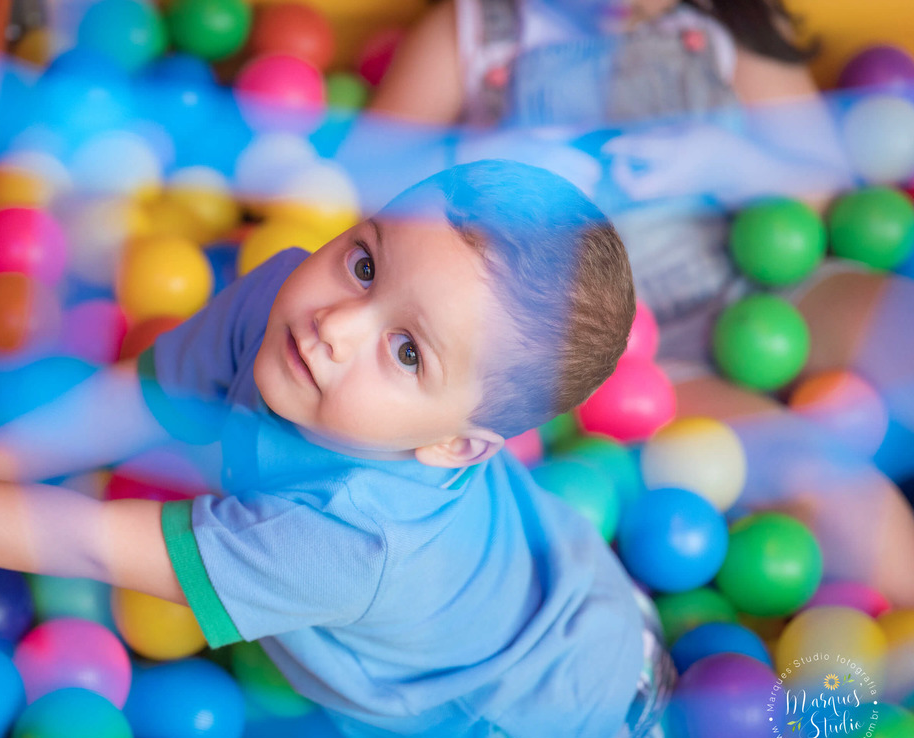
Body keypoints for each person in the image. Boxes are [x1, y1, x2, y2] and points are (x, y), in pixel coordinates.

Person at [0, 160, 669, 738]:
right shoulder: (289, 302)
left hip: (538, 728)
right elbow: (145, 396)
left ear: (454, 446)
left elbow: (86, 540)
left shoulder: (348, 539)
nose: (338, 323)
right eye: (366, 261)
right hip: (567, 586)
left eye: (406, 352)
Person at [366, 0, 914, 612]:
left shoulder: (723, 26)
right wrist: (488, 183)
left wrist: (727, 160)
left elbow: (826, 187)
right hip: (633, 364)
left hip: (769, 281)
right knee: (831, 490)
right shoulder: (475, 32)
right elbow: (369, 188)